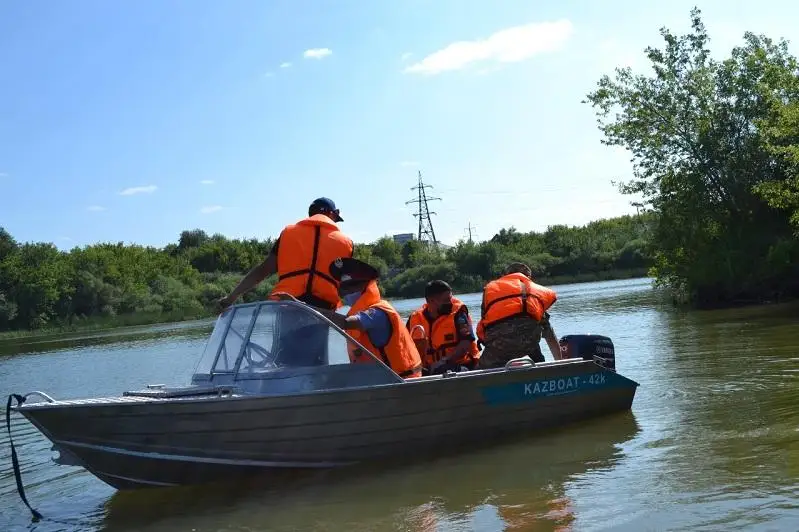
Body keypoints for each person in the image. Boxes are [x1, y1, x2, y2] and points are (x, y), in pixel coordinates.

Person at [277, 257, 423, 379]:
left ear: (368, 285)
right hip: (379, 383)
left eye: (352, 285)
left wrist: (304, 307)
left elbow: (346, 323)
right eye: (343, 288)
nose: (346, 292)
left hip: (401, 383)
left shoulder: (379, 311)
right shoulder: (361, 312)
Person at [217, 197, 354, 311]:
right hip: (322, 310)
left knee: (283, 344)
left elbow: (262, 271)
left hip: (286, 305)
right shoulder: (345, 242)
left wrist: (231, 298)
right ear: (331, 214)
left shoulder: (289, 234)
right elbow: (349, 285)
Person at [476, 262, 562, 369]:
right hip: (529, 343)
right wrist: (560, 363)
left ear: (505, 276)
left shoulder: (491, 291)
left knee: (480, 370)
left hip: (498, 346)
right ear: (529, 278)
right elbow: (549, 335)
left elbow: (484, 326)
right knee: (531, 331)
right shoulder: (533, 297)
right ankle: (541, 368)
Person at [406, 280, 481, 374]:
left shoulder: (458, 314)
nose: (450, 303)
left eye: (450, 299)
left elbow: (465, 344)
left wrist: (443, 361)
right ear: (430, 300)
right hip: (428, 368)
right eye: (446, 301)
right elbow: (404, 347)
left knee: (443, 370)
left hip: (462, 365)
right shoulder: (415, 318)